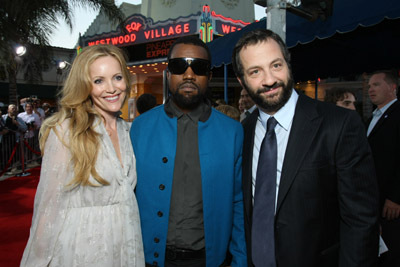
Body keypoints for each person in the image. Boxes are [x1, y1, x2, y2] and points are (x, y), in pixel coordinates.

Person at [232, 28, 379, 267]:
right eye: (255, 71)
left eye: (276, 65)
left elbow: (361, 221)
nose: (269, 80)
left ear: (288, 66)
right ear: (242, 80)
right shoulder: (243, 131)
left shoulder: (338, 125)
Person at [20, 44, 144, 267]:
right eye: (99, 81)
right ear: (84, 86)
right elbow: (48, 208)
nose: (111, 88)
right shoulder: (66, 131)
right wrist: (37, 261)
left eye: (117, 77)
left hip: (125, 243)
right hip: (83, 248)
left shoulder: (128, 131)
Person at [130, 35, 247, 267]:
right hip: (149, 259)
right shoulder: (140, 128)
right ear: (168, 74)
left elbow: (239, 204)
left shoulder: (233, 132)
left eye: (199, 67)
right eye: (179, 66)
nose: (189, 74)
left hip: (208, 260)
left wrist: (241, 260)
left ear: (209, 76)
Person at [367, 70, 400, 267]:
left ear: (392, 87)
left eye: (376, 84)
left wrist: (396, 197)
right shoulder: (374, 116)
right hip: (374, 199)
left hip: (391, 204)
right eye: (369, 85)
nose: (370, 89)